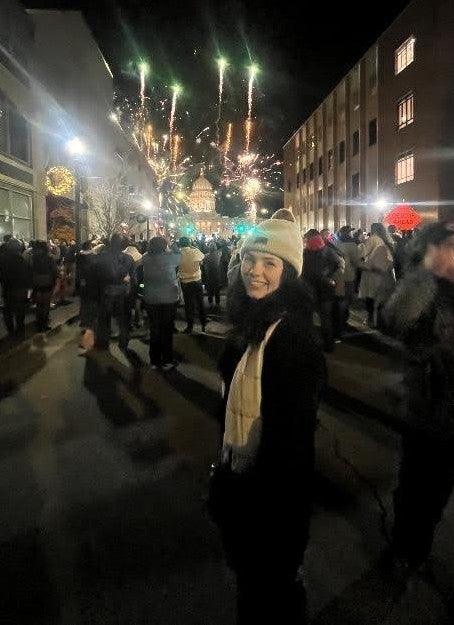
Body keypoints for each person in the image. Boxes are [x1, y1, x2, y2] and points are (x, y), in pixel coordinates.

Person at [209, 215, 326, 624]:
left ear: (288, 272)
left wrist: (258, 511)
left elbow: (291, 444)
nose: (255, 271)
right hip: (242, 484)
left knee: (268, 597)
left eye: (269, 263)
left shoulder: (292, 339)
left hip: (269, 506)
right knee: (253, 589)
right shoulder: (252, 324)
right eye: (249, 260)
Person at [385, 222, 454, 574]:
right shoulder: (423, 288)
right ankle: (405, 545)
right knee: (415, 486)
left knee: (438, 489)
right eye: (450, 246)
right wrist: (427, 274)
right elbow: (395, 319)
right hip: (427, 410)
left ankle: (416, 543)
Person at [142, 237, 181, 370]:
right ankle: (167, 360)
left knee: (155, 329)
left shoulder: (146, 258)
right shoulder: (170, 258)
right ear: (164, 246)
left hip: (151, 299)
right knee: (167, 330)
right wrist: (172, 243)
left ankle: (154, 360)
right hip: (169, 299)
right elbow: (179, 255)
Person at [95, 234, 136, 351]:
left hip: (106, 291)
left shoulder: (102, 257)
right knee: (123, 318)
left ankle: (103, 342)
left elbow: (95, 276)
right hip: (123, 291)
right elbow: (134, 278)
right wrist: (131, 291)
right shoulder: (128, 258)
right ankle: (124, 341)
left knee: (104, 318)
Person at [303, 231, 342, 352]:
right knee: (325, 319)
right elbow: (340, 265)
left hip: (310, 290)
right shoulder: (328, 251)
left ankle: (310, 345)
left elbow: (301, 271)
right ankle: (329, 345)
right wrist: (332, 279)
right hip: (325, 289)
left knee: (308, 319)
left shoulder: (305, 252)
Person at [358, 222, 395, 328]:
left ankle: (371, 320)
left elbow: (362, 253)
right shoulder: (386, 241)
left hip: (372, 273)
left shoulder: (373, 239)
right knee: (382, 299)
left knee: (371, 298)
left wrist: (361, 244)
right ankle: (382, 321)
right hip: (385, 274)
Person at [0, 238, 30, 336]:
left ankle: (11, 330)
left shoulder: (3, 259)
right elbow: (27, 273)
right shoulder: (21, 259)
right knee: (20, 311)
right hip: (20, 288)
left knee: (7, 310)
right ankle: (20, 330)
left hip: (8, 288)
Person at [178, 236, 207, 334]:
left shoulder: (178, 253)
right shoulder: (195, 251)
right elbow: (202, 259)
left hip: (185, 282)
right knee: (200, 303)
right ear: (189, 243)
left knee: (189, 305)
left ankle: (190, 327)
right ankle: (203, 324)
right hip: (197, 280)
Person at [336, 225, 361, 332]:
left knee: (339, 298)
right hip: (348, 275)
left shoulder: (335, 243)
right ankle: (343, 321)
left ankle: (338, 320)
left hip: (336, 275)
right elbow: (356, 261)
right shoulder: (351, 245)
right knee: (346, 299)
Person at [31, 241, 59, 332]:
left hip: (36, 282)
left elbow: (30, 269)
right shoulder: (49, 257)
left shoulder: (34, 257)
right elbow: (54, 271)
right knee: (46, 304)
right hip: (47, 282)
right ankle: (44, 324)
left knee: (39, 304)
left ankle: (38, 324)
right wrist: (54, 279)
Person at [203, 242, 222, 308]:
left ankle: (210, 303)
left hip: (209, 274)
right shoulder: (219, 254)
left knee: (210, 290)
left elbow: (203, 263)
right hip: (217, 274)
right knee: (217, 290)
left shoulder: (206, 256)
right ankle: (217, 303)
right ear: (215, 248)